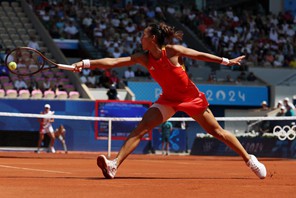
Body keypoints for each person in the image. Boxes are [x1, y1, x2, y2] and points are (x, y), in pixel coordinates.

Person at [71, 22, 266, 179]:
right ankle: (114, 165)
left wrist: (226, 61)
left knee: (218, 132)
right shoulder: (144, 58)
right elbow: (113, 62)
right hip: (168, 100)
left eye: (143, 36)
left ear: (152, 38)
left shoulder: (172, 51)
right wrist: (84, 63)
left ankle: (250, 160)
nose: (140, 39)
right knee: (141, 128)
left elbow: (198, 55)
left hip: (191, 98)